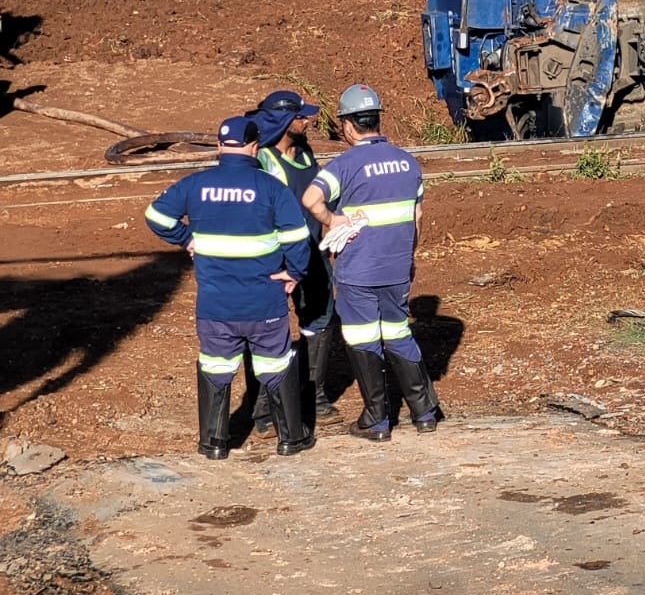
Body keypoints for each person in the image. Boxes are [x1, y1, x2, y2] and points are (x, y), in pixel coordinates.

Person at [144, 116, 314, 460]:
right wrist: (295, 273)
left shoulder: (195, 185)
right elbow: (297, 238)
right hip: (263, 300)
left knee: (216, 366)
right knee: (276, 364)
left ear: (220, 146)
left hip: (215, 304)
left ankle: (214, 444)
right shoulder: (270, 187)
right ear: (254, 147)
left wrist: (186, 238)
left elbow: (156, 216)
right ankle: (290, 438)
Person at [300, 84, 442, 442]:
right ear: (377, 119)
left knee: (363, 338)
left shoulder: (344, 164)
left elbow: (311, 198)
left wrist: (332, 221)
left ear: (348, 126)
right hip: (396, 266)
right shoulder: (407, 161)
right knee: (397, 330)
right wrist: (409, 257)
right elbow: (417, 215)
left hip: (358, 270)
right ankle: (424, 411)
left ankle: (376, 419)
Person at [247, 89, 340, 434]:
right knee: (268, 330)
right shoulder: (261, 159)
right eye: (301, 116)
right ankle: (264, 411)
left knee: (320, 319)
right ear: (283, 121)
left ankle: (312, 394)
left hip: (312, 253)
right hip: (272, 258)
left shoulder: (304, 153)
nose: (307, 120)